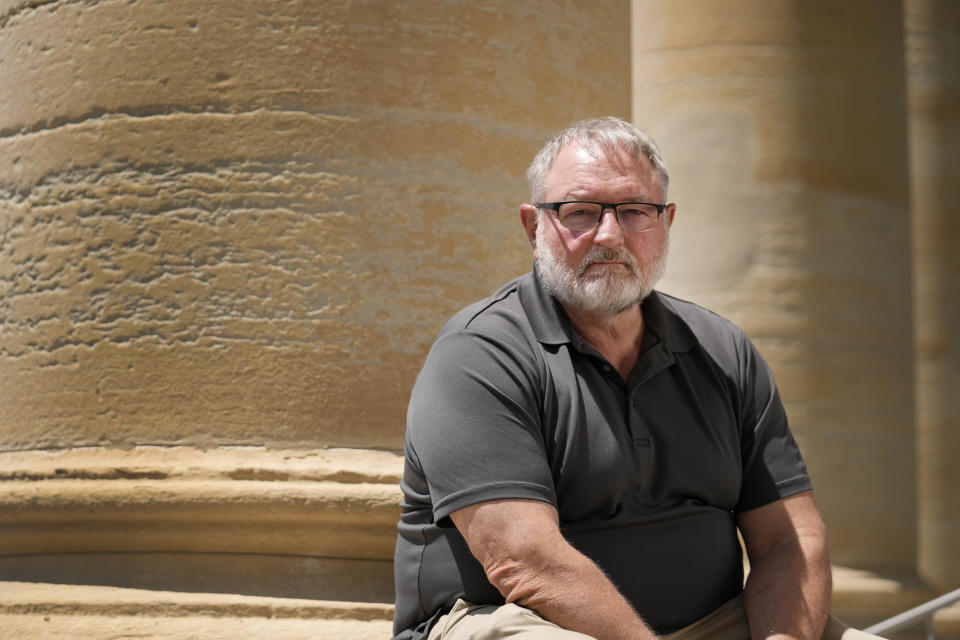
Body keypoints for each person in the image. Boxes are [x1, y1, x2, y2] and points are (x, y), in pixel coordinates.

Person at [392, 117, 879, 640]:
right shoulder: (479, 354)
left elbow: (790, 539)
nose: (609, 235)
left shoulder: (723, 349)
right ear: (534, 227)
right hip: (513, 622)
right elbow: (525, 562)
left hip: (711, 624)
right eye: (579, 212)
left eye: (634, 212)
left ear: (665, 222)